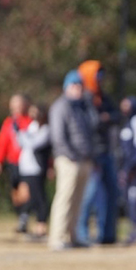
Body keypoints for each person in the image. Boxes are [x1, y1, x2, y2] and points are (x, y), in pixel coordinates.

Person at [75, 60, 121, 245]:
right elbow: (92, 123)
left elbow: (116, 116)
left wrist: (106, 117)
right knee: (88, 195)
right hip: (91, 154)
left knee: (111, 193)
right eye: (97, 75)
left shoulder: (102, 98)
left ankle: (107, 234)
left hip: (106, 152)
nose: (100, 79)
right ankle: (82, 234)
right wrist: (105, 118)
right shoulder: (84, 99)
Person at [48, 71, 94, 251]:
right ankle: (57, 237)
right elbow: (58, 137)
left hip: (84, 160)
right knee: (64, 198)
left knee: (78, 200)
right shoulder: (60, 107)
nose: (78, 89)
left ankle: (72, 236)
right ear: (66, 87)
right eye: (74, 86)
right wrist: (72, 155)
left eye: (80, 86)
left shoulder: (83, 107)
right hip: (68, 160)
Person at [0, 94, 33, 233]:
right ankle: (21, 215)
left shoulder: (30, 121)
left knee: (25, 190)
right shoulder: (8, 123)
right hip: (12, 162)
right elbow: (2, 144)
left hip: (28, 163)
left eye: (19, 104)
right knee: (15, 192)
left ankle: (25, 217)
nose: (16, 107)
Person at [15, 104, 51, 239]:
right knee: (28, 198)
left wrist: (22, 134)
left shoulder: (46, 129)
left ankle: (41, 228)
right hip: (26, 168)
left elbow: (33, 143)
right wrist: (20, 134)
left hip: (37, 168)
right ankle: (26, 223)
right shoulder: (31, 127)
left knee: (39, 198)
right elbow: (21, 143)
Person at [118, 96, 136, 242]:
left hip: (133, 169)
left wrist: (130, 168)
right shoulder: (126, 122)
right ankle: (132, 228)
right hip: (125, 167)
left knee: (134, 197)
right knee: (127, 198)